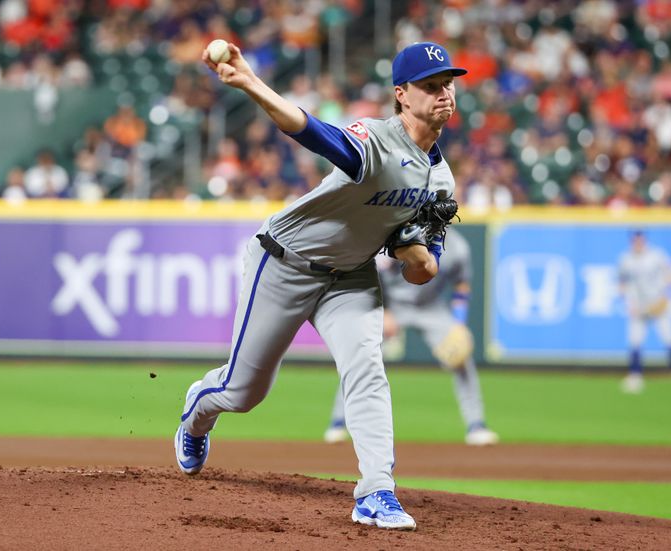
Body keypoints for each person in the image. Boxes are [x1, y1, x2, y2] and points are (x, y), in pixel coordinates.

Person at [175, 40, 467, 531]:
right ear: (402, 94)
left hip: (349, 278)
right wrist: (249, 83)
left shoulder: (441, 181)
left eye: (448, 85)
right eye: (430, 86)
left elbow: (422, 267)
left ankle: (376, 491)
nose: (444, 94)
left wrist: (417, 258)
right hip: (284, 262)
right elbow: (310, 131)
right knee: (244, 391)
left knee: (367, 367)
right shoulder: (376, 139)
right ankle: (196, 412)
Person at [323, 231, 499, 446]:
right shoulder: (406, 234)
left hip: (430, 306)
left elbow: (461, 285)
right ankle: (338, 422)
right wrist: (384, 309)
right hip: (393, 303)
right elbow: (376, 269)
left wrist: (459, 324)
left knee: (462, 359)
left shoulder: (458, 247)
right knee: (363, 356)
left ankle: (476, 425)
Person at [618, 230, 671, 394]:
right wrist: (628, 302)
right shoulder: (626, 259)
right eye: (635, 239)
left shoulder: (656, 255)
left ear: (644, 240)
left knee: (669, 338)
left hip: (658, 303)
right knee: (635, 340)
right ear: (631, 241)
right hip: (639, 305)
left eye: (640, 239)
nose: (638, 242)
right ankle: (635, 377)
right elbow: (621, 282)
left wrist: (666, 296)